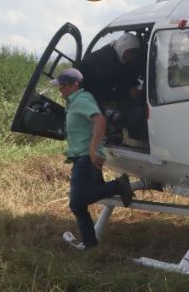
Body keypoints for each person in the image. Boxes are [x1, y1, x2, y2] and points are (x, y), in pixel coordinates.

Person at [52, 68, 133, 250]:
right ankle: (90, 244)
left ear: (75, 85)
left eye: (63, 86)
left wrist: (93, 149)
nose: (60, 90)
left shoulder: (82, 99)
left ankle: (118, 186)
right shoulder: (73, 102)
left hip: (86, 158)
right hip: (80, 157)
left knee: (77, 202)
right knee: (80, 203)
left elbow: (99, 120)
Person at [79, 32, 147, 143]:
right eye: (133, 54)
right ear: (126, 51)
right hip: (87, 97)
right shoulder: (106, 61)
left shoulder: (116, 55)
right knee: (123, 112)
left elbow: (123, 77)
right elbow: (101, 92)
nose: (134, 58)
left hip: (97, 92)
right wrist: (127, 93)